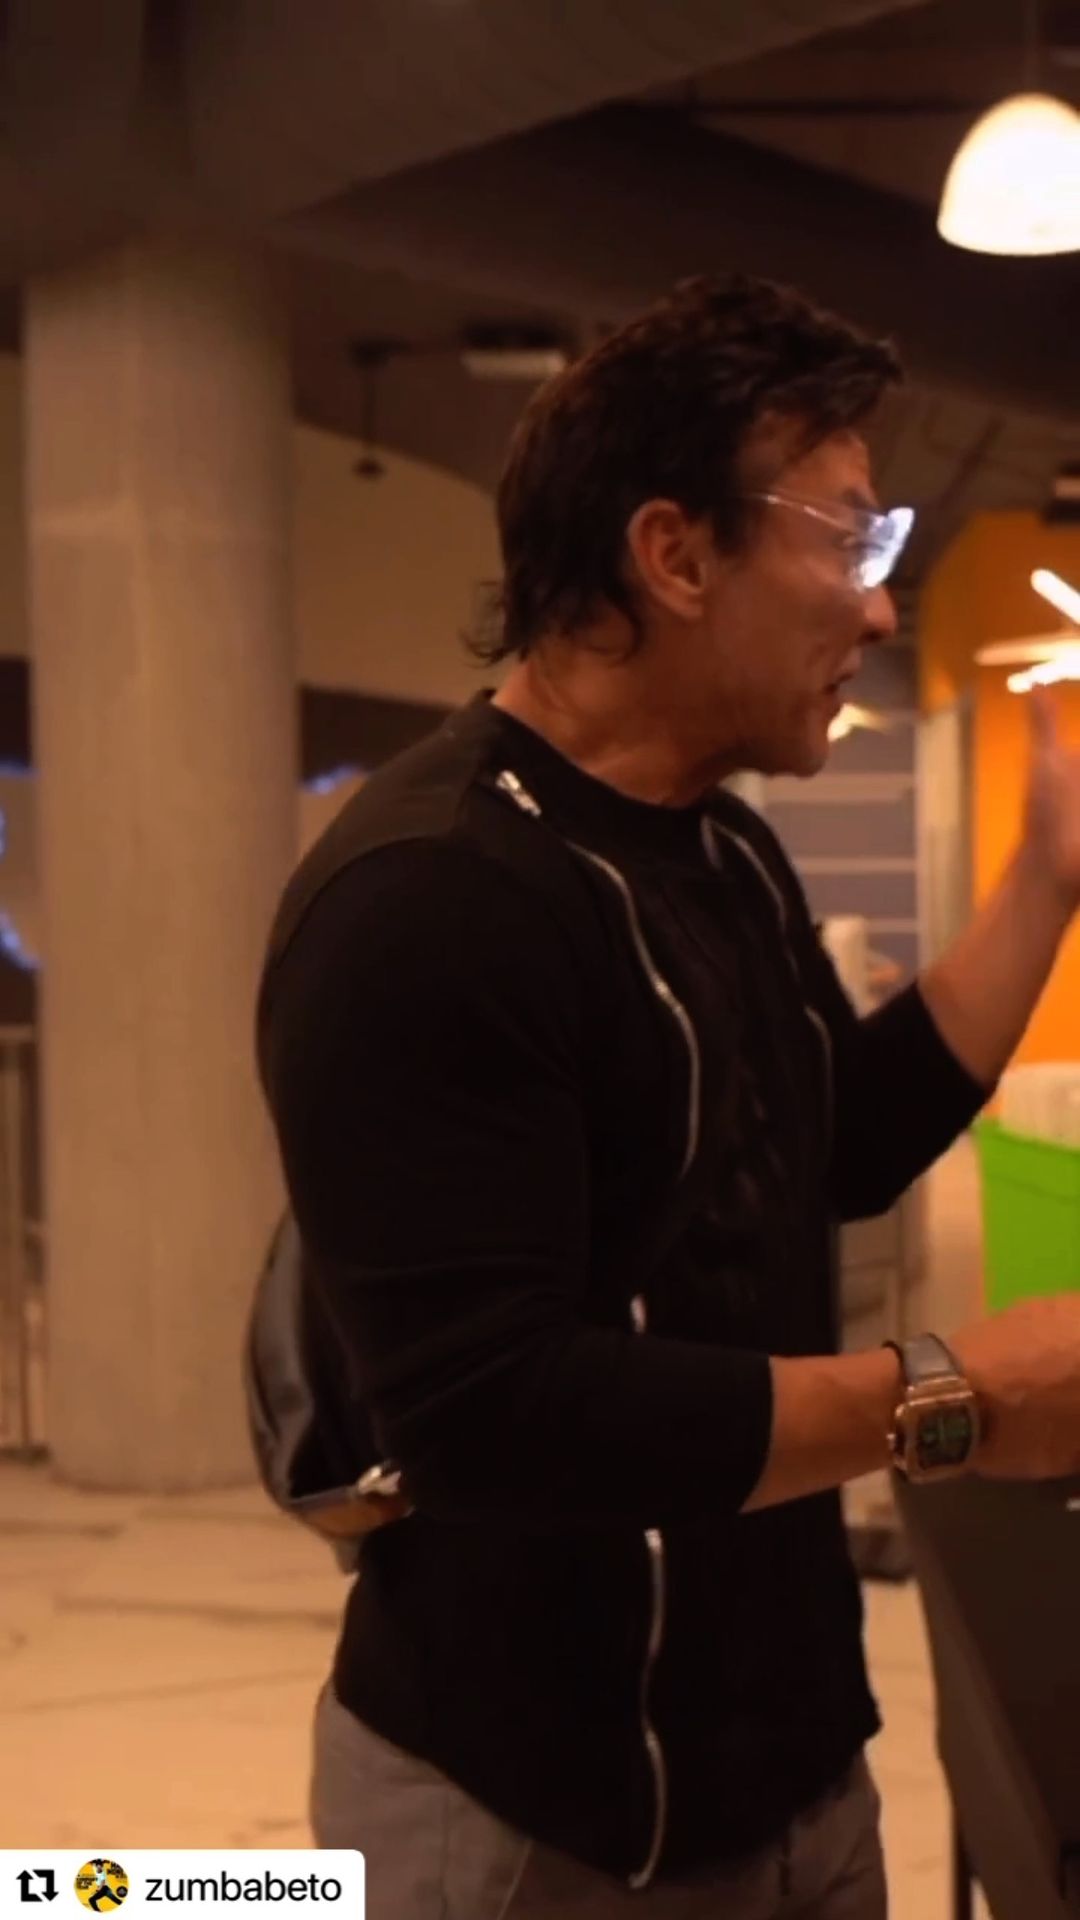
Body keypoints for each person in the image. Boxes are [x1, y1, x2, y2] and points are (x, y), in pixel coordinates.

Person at [257, 274, 1080, 1919]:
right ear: (676, 555)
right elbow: (492, 1415)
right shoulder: (426, 897)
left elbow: (837, 1140)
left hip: (793, 1766)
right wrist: (943, 1398)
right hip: (537, 1818)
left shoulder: (722, 846)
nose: (879, 609)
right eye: (848, 538)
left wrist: (1052, 867)